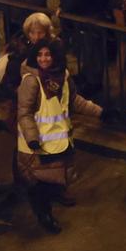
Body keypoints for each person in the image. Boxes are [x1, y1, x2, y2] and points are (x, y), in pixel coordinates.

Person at [13, 37, 101, 233]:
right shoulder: (31, 81)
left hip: (58, 142)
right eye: (40, 55)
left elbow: (73, 101)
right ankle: (44, 216)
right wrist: (32, 139)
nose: (44, 59)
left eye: (48, 54)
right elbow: (24, 112)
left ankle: (46, 212)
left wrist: (101, 112)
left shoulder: (63, 77)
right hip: (37, 146)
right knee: (39, 186)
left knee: (53, 182)